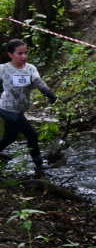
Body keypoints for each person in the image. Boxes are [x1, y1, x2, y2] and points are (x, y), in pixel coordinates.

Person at [0, 39, 57, 173]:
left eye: (26, 53)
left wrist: (49, 94)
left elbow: (38, 82)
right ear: (10, 55)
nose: (24, 56)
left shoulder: (30, 68)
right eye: (20, 53)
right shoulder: (3, 69)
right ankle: (39, 165)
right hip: (6, 108)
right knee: (32, 135)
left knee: (10, 137)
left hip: (20, 109)